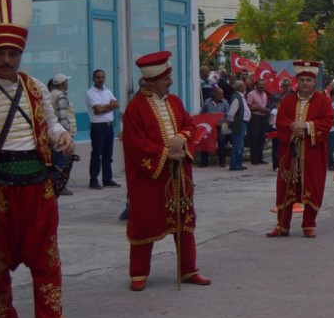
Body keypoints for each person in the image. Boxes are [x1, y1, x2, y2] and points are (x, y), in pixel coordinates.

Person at [0, 0, 81, 318]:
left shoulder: (34, 87)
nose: (6, 59)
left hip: (38, 186)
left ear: (20, 54)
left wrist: (62, 136)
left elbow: (50, 124)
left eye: (12, 53)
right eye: (0, 53)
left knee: (47, 258)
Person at [122, 51, 212, 291]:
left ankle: (188, 269)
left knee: (184, 219)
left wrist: (182, 138)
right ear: (151, 81)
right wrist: (165, 154)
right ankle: (138, 272)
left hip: (179, 174)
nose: (170, 82)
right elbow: (135, 144)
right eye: (165, 79)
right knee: (145, 221)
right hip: (151, 178)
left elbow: (189, 125)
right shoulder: (135, 109)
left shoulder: (175, 102)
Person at [266, 62, 334, 238]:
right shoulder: (287, 101)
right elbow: (280, 120)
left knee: (312, 185)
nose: (305, 83)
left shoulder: (323, 101)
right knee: (285, 186)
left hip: (313, 152)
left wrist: (307, 126)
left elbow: (328, 121)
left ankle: (309, 224)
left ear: (314, 82)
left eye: (309, 80)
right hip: (289, 152)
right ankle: (282, 225)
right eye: (302, 79)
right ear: (297, 81)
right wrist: (291, 126)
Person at [86, 67, 120, 189]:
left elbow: (117, 104)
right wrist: (109, 106)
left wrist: (103, 107)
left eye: (102, 77)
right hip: (98, 127)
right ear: (93, 79)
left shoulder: (108, 91)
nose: (100, 79)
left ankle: (107, 179)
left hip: (109, 127)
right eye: (98, 77)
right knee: (96, 154)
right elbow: (98, 110)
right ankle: (93, 180)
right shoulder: (90, 93)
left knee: (108, 155)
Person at [47, 73, 77, 195]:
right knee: (61, 164)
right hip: (61, 136)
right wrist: (67, 135)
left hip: (53, 135)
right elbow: (63, 117)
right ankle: (57, 187)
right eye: (66, 82)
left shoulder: (50, 95)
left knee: (55, 163)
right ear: (63, 83)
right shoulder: (60, 96)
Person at [199, 86, 230, 168]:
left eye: (222, 94)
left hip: (219, 126)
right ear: (214, 94)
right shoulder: (207, 102)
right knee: (205, 142)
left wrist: (223, 122)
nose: (221, 96)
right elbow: (201, 113)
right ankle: (204, 162)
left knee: (221, 141)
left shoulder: (225, 103)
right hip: (209, 126)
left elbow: (228, 115)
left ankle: (222, 162)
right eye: (219, 94)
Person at [226, 79, 250, 171]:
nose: (245, 87)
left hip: (243, 123)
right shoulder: (236, 97)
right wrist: (231, 122)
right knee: (237, 144)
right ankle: (234, 164)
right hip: (239, 124)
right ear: (239, 87)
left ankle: (238, 163)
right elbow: (231, 112)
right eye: (243, 85)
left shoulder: (241, 96)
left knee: (240, 144)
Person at [246, 79, 270, 165]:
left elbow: (265, 106)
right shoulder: (251, 94)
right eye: (259, 84)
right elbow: (248, 107)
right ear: (255, 85)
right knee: (254, 138)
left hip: (263, 117)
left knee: (262, 138)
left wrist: (266, 109)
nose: (261, 86)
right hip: (254, 117)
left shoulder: (264, 94)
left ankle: (260, 158)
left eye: (262, 84)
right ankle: (254, 159)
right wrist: (258, 108)